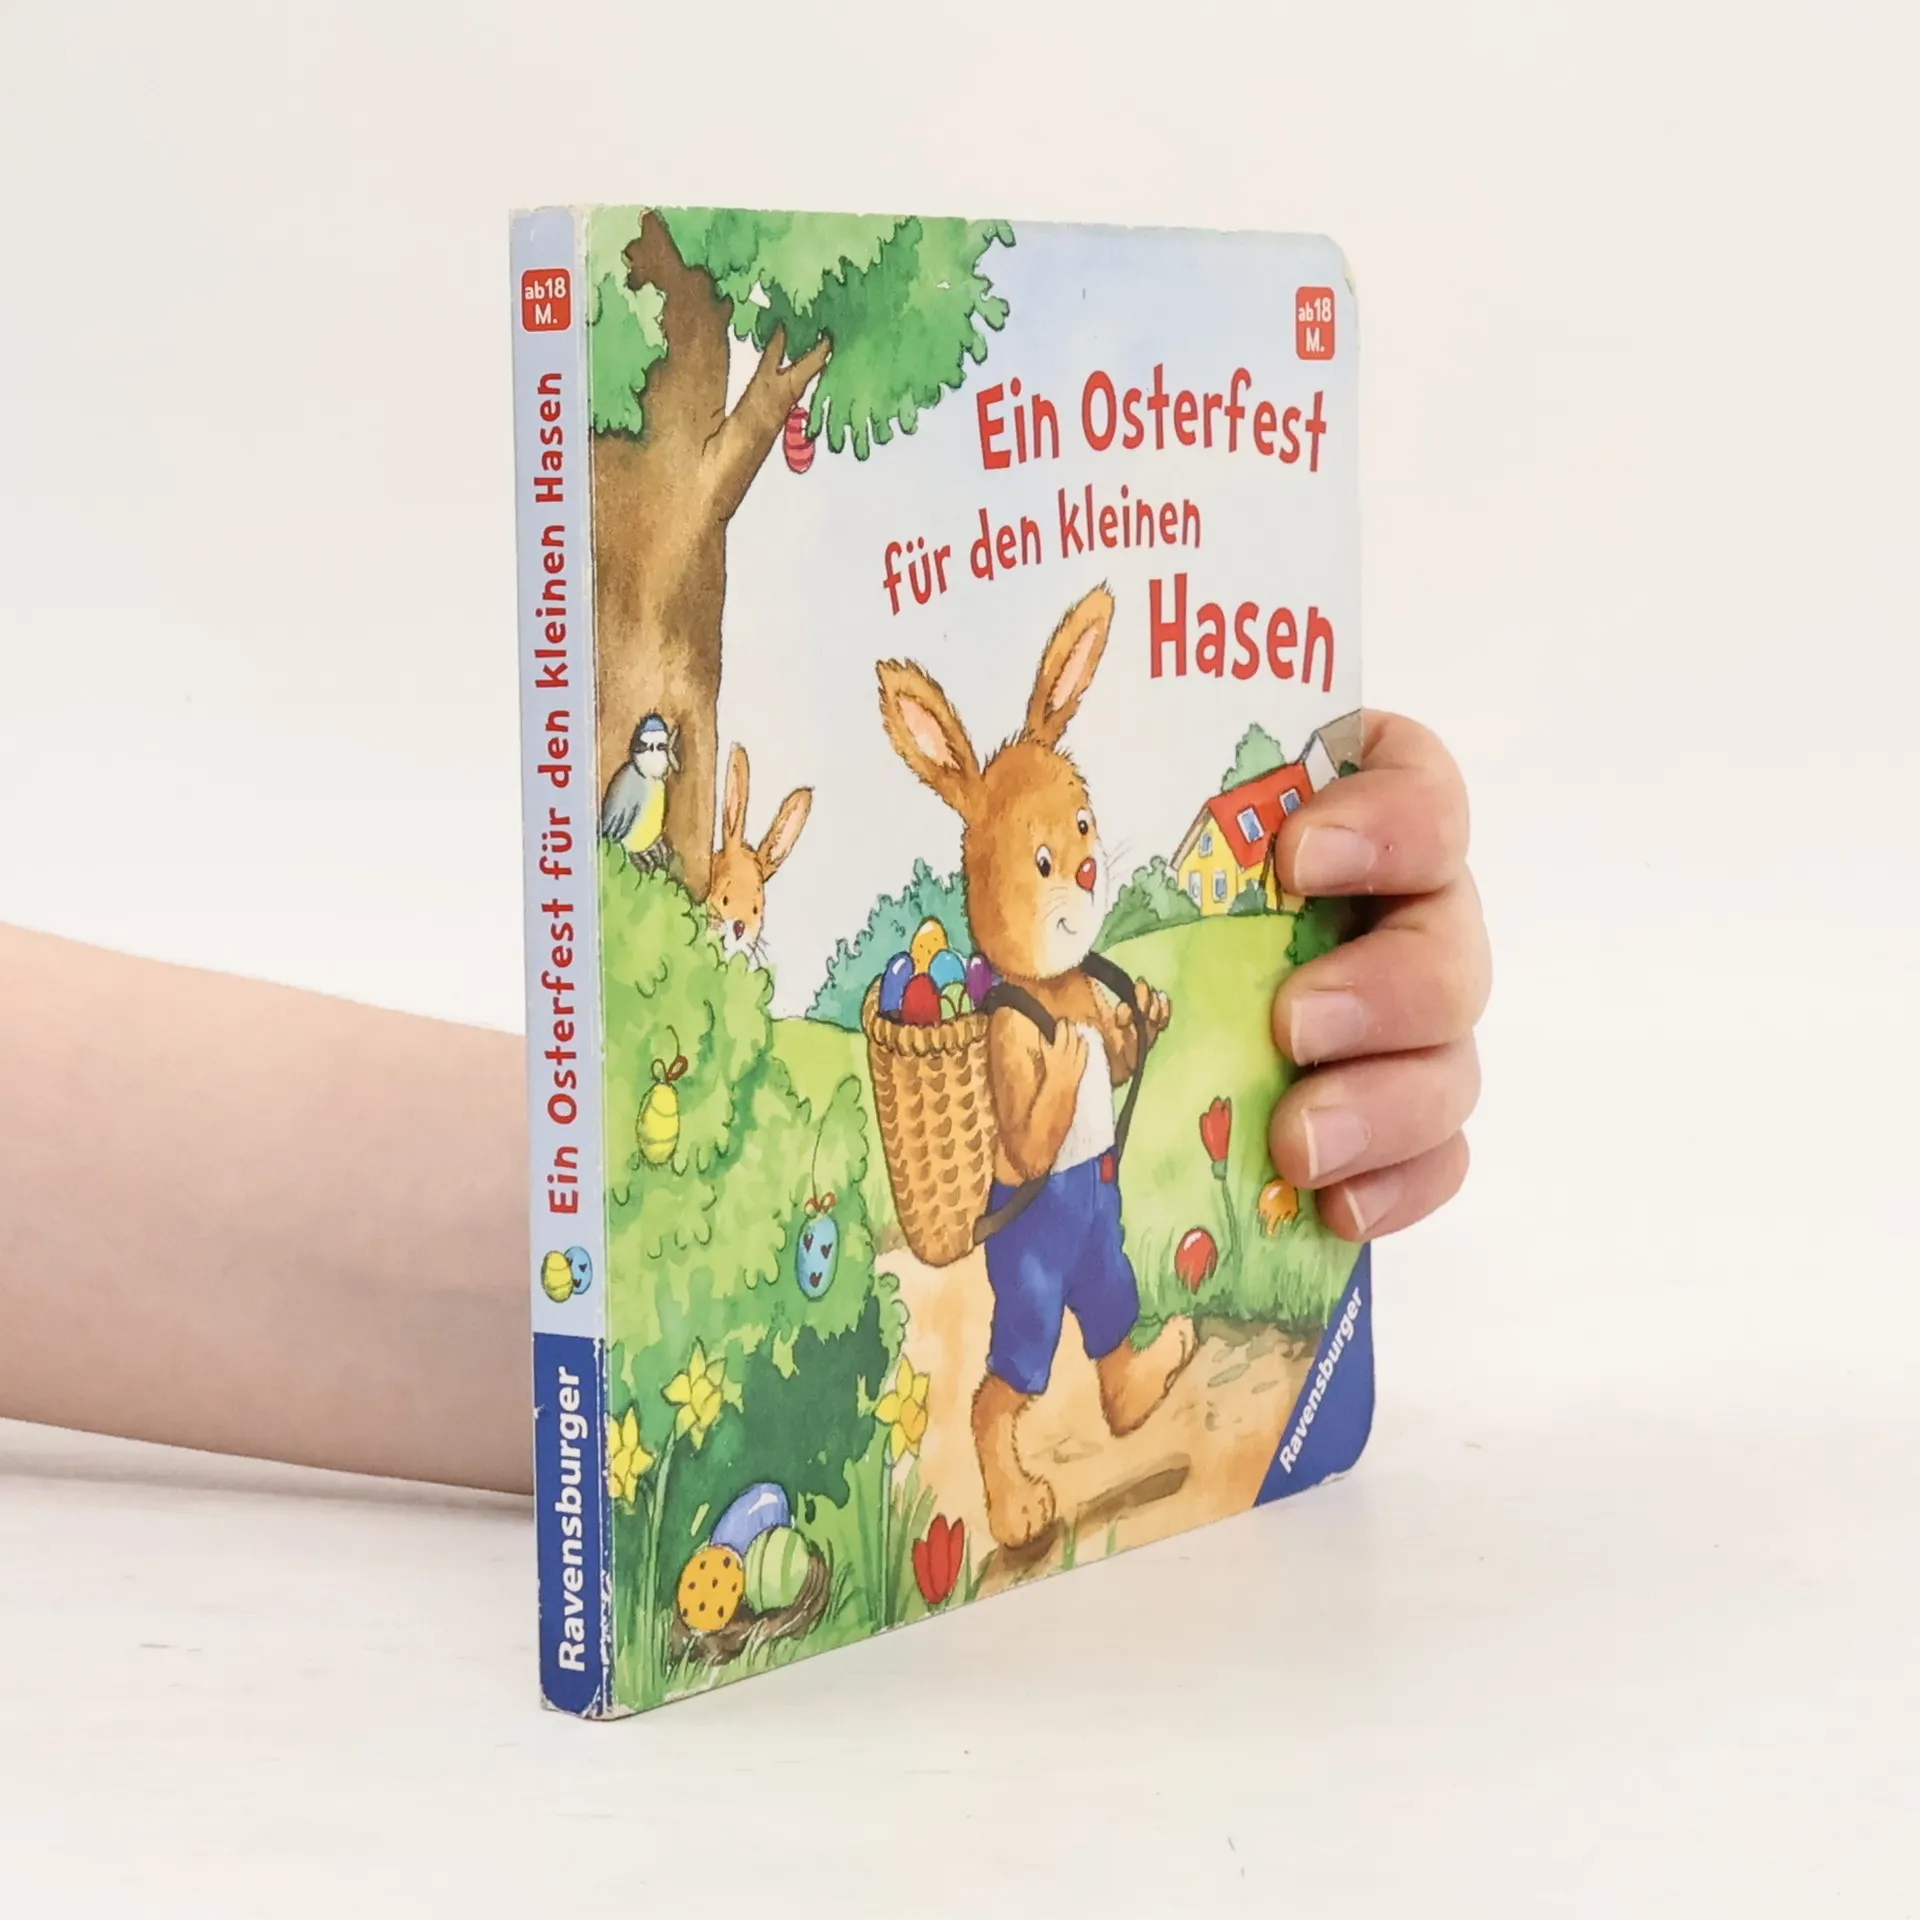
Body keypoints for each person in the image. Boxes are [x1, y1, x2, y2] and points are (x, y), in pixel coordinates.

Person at [0, 712, 1487, 1496]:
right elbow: (1030, 1136)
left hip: (1089, 1207)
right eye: (1054, 858)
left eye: (1082, 842)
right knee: (1027, 1334)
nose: (1086, 872)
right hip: (1039, 1207)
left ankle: (1132, 1377)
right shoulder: (1008, 1016)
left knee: (1112, 1297)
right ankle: (1008, 1438)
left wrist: (604, 1235)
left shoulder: (1081, 987)